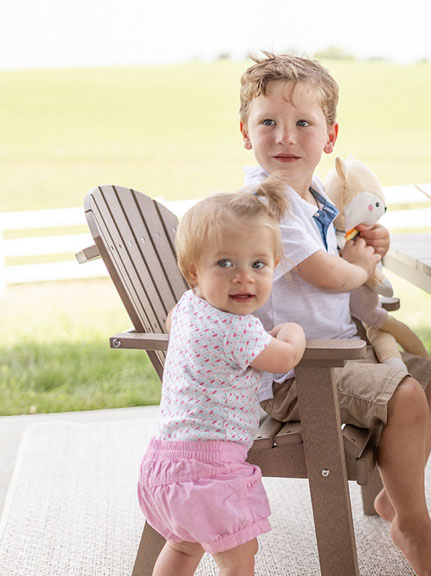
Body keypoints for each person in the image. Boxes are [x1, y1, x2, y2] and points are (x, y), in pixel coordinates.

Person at [237, 52, 431, 576]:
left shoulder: (312, 199)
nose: (286, 137)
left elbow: (339, 263)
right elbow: (326, 275)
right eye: (268, 121)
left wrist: (363, 246)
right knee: (406, 394)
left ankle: (392, 498)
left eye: (302, 124)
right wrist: (356, 265)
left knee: (430, 382)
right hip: (296, 371)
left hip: (337, 355)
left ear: (330, 137)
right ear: (246, 133)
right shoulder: (265, 204)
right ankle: (414, 523)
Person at [137, 181, 308, 576]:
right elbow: (287, 357)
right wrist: (291, 329)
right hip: (211, 469)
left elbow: (170, 325)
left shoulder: (186, 306)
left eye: (258, 265)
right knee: (239, 558)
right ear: (193, 271)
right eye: (226, 264)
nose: (244, 278)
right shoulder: (240, 331)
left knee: (183, 548)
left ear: (274, 266)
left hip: (163, 463)